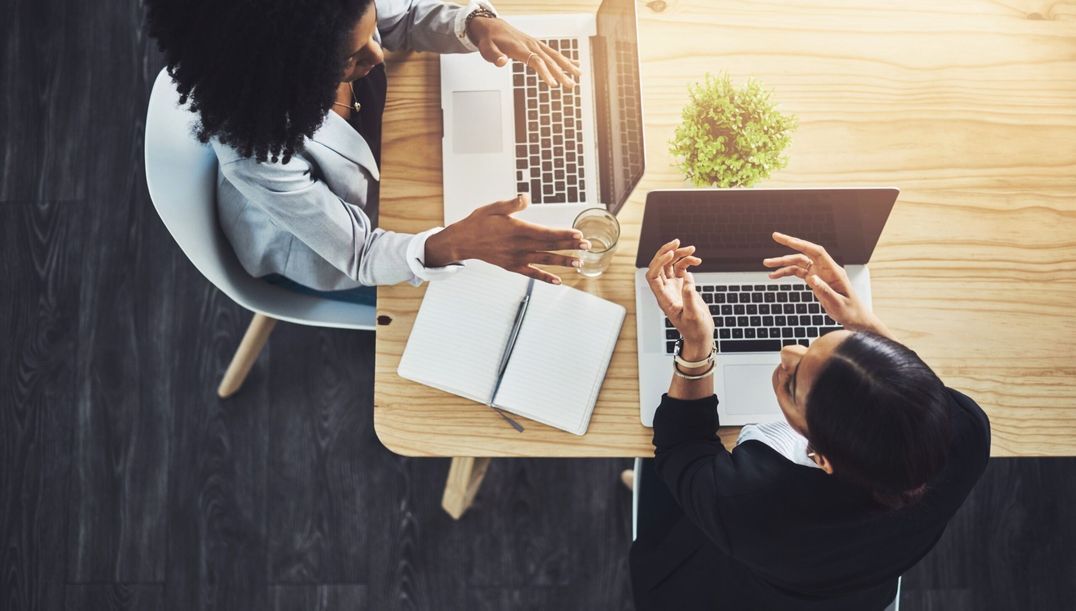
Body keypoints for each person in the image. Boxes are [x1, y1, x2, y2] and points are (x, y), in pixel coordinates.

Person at [630, 232, 991, 610]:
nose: (787, 352)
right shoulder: (967, 435)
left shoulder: (748, 503)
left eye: (794, 382)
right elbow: (916, 390)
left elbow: (682, 444)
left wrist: (697, 345)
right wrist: (863, 323)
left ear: (821, 457)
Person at [145, 0, 588, 304]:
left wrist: (476, 24)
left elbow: (407, 14)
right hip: (328, 254)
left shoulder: (336, 11)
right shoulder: (255, 153)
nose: (378, 55)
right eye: (349, 59)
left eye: (370, 28)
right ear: (287, 70)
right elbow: (359, 254)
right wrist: (455, 243)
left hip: (386, 182)